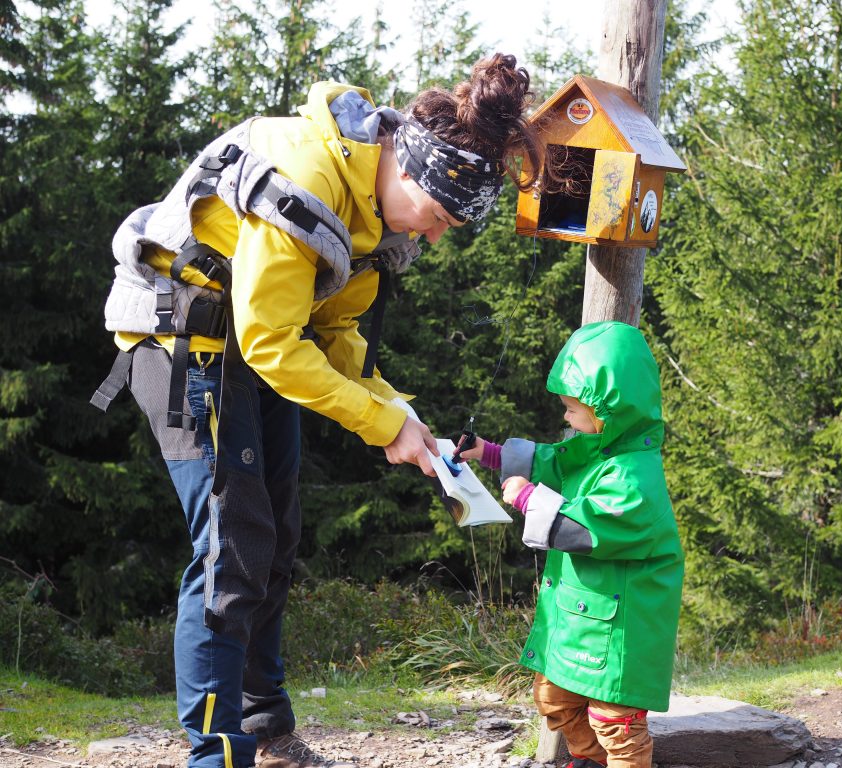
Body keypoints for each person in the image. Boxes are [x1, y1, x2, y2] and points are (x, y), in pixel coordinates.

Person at [93, 54, 544, 768]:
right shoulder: (309, 179)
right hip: (178, 336)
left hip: (245, 342)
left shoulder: (375, 215)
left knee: (275, 535)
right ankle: (218, 756)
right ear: (404, 168)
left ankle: (267, 733)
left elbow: (333, 336)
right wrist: (380, 424)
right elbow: (276, 344)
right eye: (433, 218)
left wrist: (400, 413)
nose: (430, 238)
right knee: (230, 547)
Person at [459, 321, 685, 768]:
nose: (565, 417)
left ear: (609, 410)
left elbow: (586, 530)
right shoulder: (597, 447)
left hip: (622, 625)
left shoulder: (635, 477)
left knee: (614, 721)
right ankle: (588, 760)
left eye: (572, 409)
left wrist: (527, 496)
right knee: (554, 698)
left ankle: (615, 761)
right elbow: (553, 461)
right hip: (581, 616)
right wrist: (487, 453)